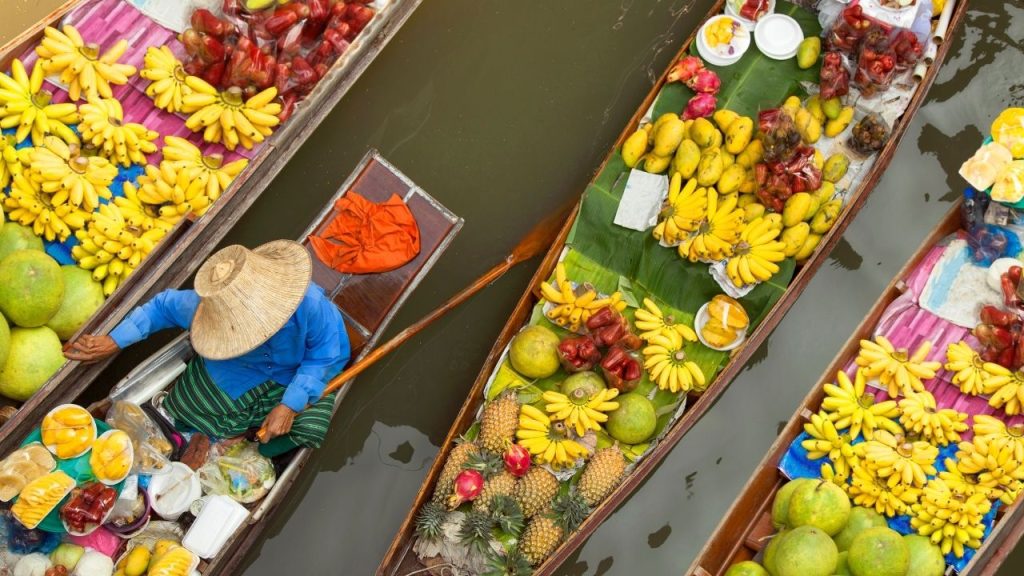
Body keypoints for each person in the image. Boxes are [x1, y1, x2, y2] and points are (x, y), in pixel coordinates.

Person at [65, 240, 351, 458]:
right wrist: (114, 341)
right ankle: (232, 433)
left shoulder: (310, 305)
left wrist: (290, 404)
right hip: (239, 366)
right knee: (186, 407)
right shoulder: (206, 310)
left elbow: (325, 355)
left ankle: (252, 442)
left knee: (310, 426)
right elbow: (161, 307)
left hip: (299, 370)